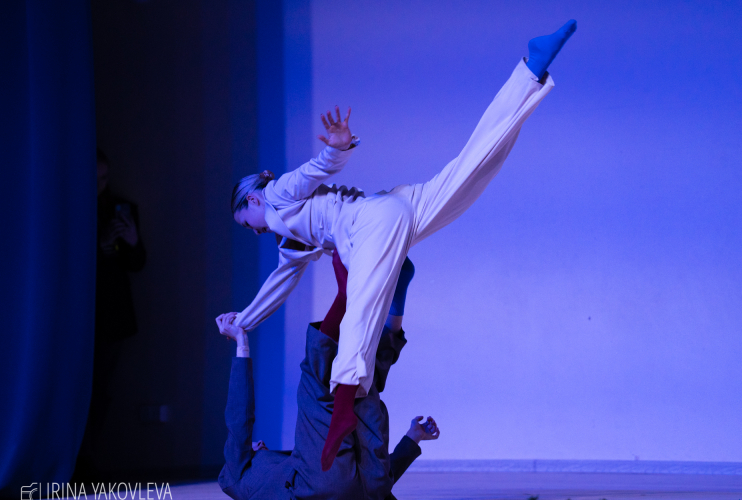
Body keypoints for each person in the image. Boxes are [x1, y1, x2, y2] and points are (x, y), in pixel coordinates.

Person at [222, 21, 577, 469]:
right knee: (472, 168)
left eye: (247, 223)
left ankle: (343, 405)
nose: (255, 231)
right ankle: (530, 70)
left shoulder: (276, 197)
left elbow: (313, 171)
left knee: (360, 307)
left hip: (369, 225)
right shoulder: (289, 241)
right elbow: (279, 284)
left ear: (253, 199)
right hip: (393, 211)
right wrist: (244, 322)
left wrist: (338, 148)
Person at [216, 252, 438, 499]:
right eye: (255, 446)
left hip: (370, 490)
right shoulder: (232, 476)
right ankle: (345, 293)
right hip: (322, 483)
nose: (259, 443)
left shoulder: (271, 475)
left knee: (363, 382)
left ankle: (396, 290)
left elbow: (383, 479)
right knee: (317, 382)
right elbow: (239, 418)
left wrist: (413, 438)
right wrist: (241, 344)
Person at [73, 148, 146, 480]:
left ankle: (87, 459)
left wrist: (132, 241)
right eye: (95, 178)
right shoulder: (72, 208)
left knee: (101, 389)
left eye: (104, 178)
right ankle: (75, 458)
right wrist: (100, 246)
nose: (100, 185)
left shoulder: (121, 208)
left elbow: (137, 264)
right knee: (76, 389)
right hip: (79, 313)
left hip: (112, 313)